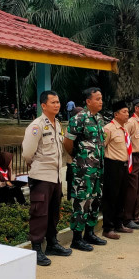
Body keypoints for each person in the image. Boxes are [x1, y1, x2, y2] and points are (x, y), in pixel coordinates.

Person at [21, 90, 72, 266]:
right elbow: (27, 153)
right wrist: (34, 164)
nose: (57, 105)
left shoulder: (57, 124)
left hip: (55, 176)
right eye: (53, 102)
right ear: (44, 106)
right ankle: (36, 249)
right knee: (39, 213)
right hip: (42, 176)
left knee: (53, 213)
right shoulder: (36, 126)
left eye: (58, 102)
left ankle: (52, 243)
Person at [64, 87, 107, 251]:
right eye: (97, 99)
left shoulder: (100, 119)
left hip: (98, 168)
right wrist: (77, 157)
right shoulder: (78, 119)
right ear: (88, 101)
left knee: (95, 200)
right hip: (83, 169)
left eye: (101, 98)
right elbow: (68, 142)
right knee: (81, 201)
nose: (100, 101)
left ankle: (90, 232)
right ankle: (77, 238)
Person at [101, 100, 132, 239]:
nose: (127, 114)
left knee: (122, 196)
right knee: (110, 197)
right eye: (124, 112)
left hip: (124, 165)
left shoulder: (124, 129)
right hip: (112, 165)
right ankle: (108, 228)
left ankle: (119, 224)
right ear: (116, 114)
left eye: (127, 111)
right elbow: (102, 147)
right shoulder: (109, 129)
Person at [123, 97, 139, 230]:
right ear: (136, 108)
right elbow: (125, 139)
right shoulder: (131, 122)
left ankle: (136, 216)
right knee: (132, 189)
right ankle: (127, 218)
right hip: (133, 156)